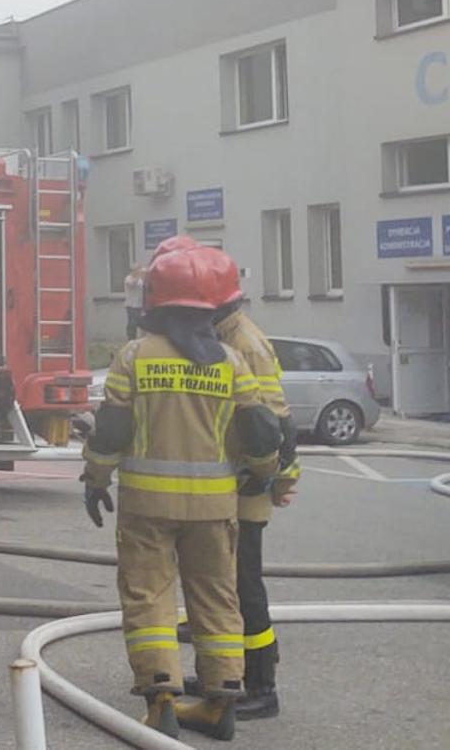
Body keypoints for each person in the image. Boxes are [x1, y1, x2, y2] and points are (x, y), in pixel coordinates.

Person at [82, 246, 282, 740]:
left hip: (147, 508)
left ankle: (162, 700)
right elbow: (261, 433)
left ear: (155, 304)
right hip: (215, 509)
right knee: (217, 599)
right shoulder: (231, 362)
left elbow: (110, 431)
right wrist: (267, 472)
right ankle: (220, 702)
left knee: (149, 599)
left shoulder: (133, 357)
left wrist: (95, 479)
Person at [171, 243, 300, 721]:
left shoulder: (244, 343)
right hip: (228, 487)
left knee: (244, 589)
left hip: (245, 492)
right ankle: (223, 676)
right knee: (219, 586)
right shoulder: (226, 335)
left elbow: (275, 424)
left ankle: (261, 685)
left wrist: (274, 480)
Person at [123, 264, 148, 340]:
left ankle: (142, 340)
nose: (138, 271)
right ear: (133, 271)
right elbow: (132, 284)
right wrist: (138, 276)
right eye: (136, 270)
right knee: (132, 324)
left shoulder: (141, 280)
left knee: (143, 324)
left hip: (140, 306)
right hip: (131, 306)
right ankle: (131, 340)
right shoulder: (128, 278)